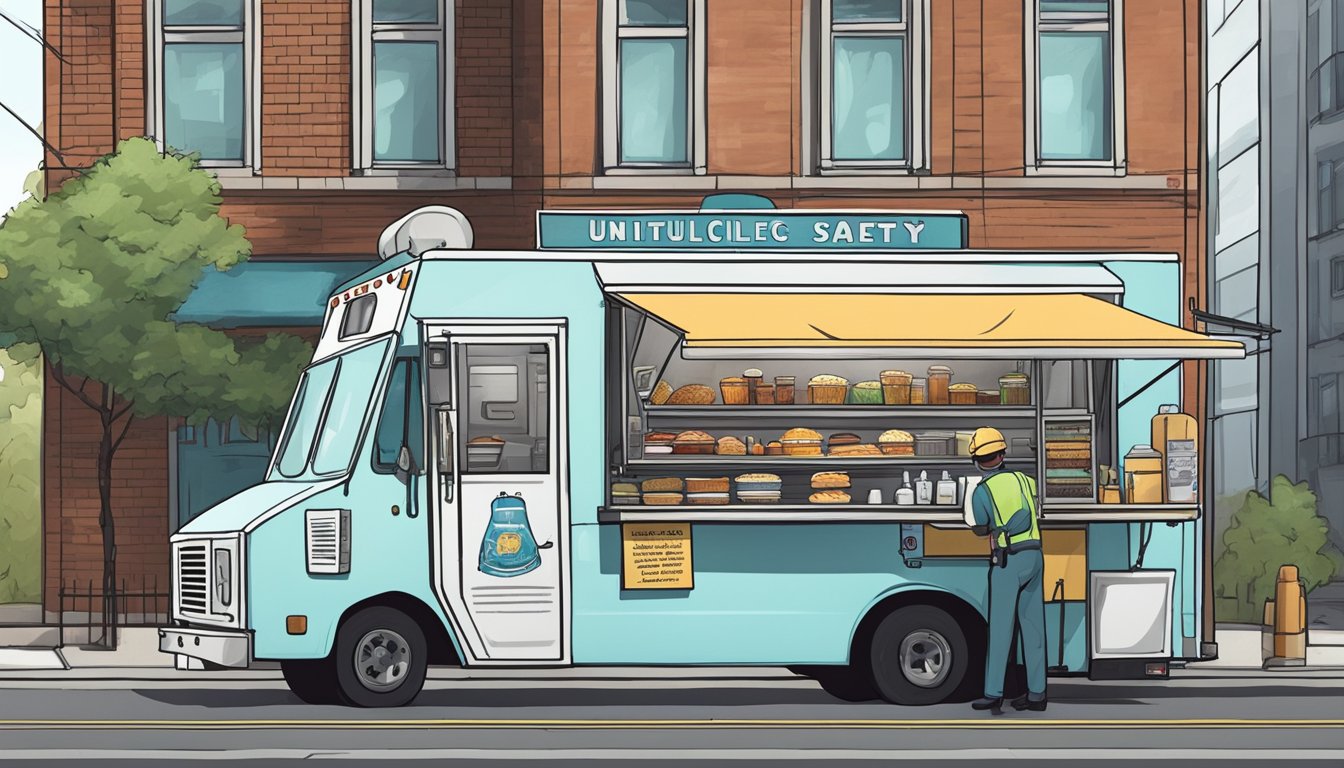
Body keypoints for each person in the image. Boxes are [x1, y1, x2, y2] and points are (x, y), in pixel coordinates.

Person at [966, 427, 1047, 714]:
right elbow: (1035, 509)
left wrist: (989, 529)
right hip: (1035, 556)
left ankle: (993, 693)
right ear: (1003, 454)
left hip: (1008, 559)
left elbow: (980, 526)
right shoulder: (1027, 480)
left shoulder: (982, 491)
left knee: (1001, 629)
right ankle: (1037, 695)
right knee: (1034, 628)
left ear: (976, 461)